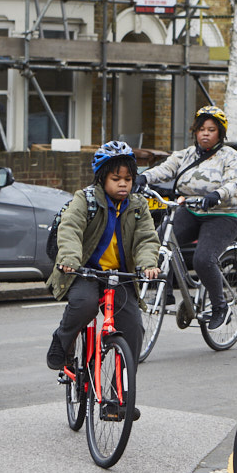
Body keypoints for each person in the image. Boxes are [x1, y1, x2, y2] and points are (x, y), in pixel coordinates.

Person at [47, 142, 161, 409]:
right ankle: (62, 340)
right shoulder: (84, 199)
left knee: (133, 328)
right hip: (86, 271)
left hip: (119, 275)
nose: (123, 184)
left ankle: (117, 394)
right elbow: (70, 229)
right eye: (116, 179)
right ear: (102, 178)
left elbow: (147, 238)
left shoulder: (138, 206)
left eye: (128, 179)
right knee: (84, 305)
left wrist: (147, 264)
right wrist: (70, 260)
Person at [137, 105, 237, 329]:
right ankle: (164, 293)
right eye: (201, 129)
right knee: (156, 244)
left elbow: (233, 182)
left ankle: (220, 306)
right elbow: (164, 170)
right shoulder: (185, 155)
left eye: (211, 129)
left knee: (203, 259)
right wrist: (143, 178)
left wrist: (217, 195)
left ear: (220, 134)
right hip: (191, 209)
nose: (205, 133)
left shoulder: (231, 157)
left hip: (224, 214)